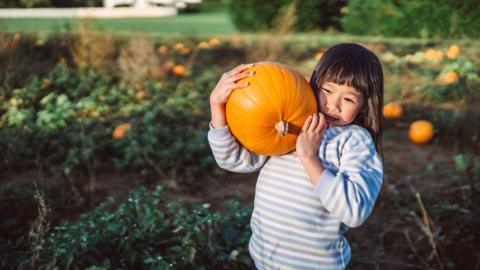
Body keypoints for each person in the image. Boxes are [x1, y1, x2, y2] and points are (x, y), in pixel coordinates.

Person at [207, 43, 384, 269]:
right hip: (265, 260)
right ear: (315, 82)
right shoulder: (291, 122)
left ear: (363, 106)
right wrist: (217, 106)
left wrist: (309, 158)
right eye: (327, 91)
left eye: (348, 99)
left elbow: (355, 212)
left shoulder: (353, 141)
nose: (333, 105)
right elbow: (232, 160)